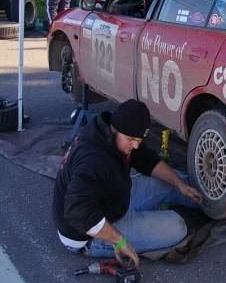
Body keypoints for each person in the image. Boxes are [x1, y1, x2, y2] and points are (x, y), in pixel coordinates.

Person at [53, 99, 211, 265]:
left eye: (139, 139)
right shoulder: (94, 162)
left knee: (178, 180)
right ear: (114, 129)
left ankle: (211, 206)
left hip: (112, 198)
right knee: (176, 227)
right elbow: (77, 213)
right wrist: (120, 241)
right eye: (131, 139)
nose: (135, 145)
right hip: (87, 232)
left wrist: (179, 185)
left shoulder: (113, 132)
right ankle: (117, 237)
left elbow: (146, 159)